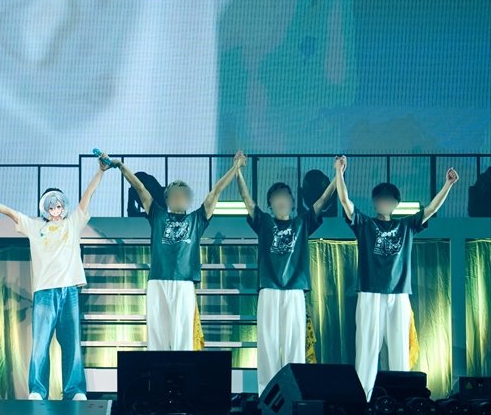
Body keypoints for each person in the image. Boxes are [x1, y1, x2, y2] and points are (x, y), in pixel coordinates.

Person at [335, 156, 459, 399]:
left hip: (399, 293)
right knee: (367, 349)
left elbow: (431, 209)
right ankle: (363, 401)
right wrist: (339, 172)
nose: (385, 203)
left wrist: (448, 184)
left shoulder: (406, 226)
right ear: (375, 202)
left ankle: (401, 401)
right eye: (381, 199)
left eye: (389, 200)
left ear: (395, 204)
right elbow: (345, 202)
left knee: (399, 349)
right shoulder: (364, 223)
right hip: (370, 292)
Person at [0, 155, 111, 401]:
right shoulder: (35, 226)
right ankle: (37, 389)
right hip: (45, 291)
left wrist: (100, 171)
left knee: (72, 344)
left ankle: (75, 390)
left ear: (63, 207)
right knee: (40, 345)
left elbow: (87, 196)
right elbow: (8, 212)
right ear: (44, 209)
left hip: (69, 290)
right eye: (51, 207)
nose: (55, 211)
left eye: (58, 206)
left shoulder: (72, 223)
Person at [116, 152, 245, 351]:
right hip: (158, 281)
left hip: (184, 283)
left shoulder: (197, 219)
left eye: (183, 194)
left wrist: (235, 168)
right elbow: (140, 188)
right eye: (174, 194)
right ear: (167, 199)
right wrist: (121, 166)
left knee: (183, 339)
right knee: (157, 339)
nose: (178, 197)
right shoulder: (157, 215)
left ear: (189, 199)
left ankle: (183, 371)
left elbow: (216, 191)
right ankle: (157, 371)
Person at [236, 158, 337, 393]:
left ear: (292, 202)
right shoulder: (264, 223)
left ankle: (294, 394)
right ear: (270, 204)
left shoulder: (303, 222)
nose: (281, 200)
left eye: (285, 196)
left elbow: (323, 200)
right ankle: (267, 395)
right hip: (269, 289)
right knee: (268, 344)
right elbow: (246, 199)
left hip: (294, 290)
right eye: (276, 197)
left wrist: (338, 175)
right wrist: (238, 171)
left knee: (294, 345)